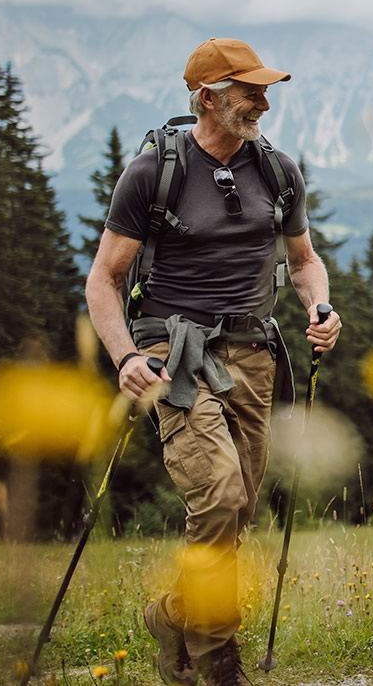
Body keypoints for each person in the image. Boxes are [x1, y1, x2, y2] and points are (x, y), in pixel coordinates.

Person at [85, 38, 341, 685]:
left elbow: (304, 259)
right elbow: (104, 280)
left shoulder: (277, 171)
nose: (262, 101)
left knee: (239, 508)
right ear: (208, 98)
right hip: (172, 353)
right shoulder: (153, 174)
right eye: (248, 90)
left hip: (254, 354)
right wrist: (124, 357)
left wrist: (320, 307)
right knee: (219, 494)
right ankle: (217, 662)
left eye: (263, 90)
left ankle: (173, 615)